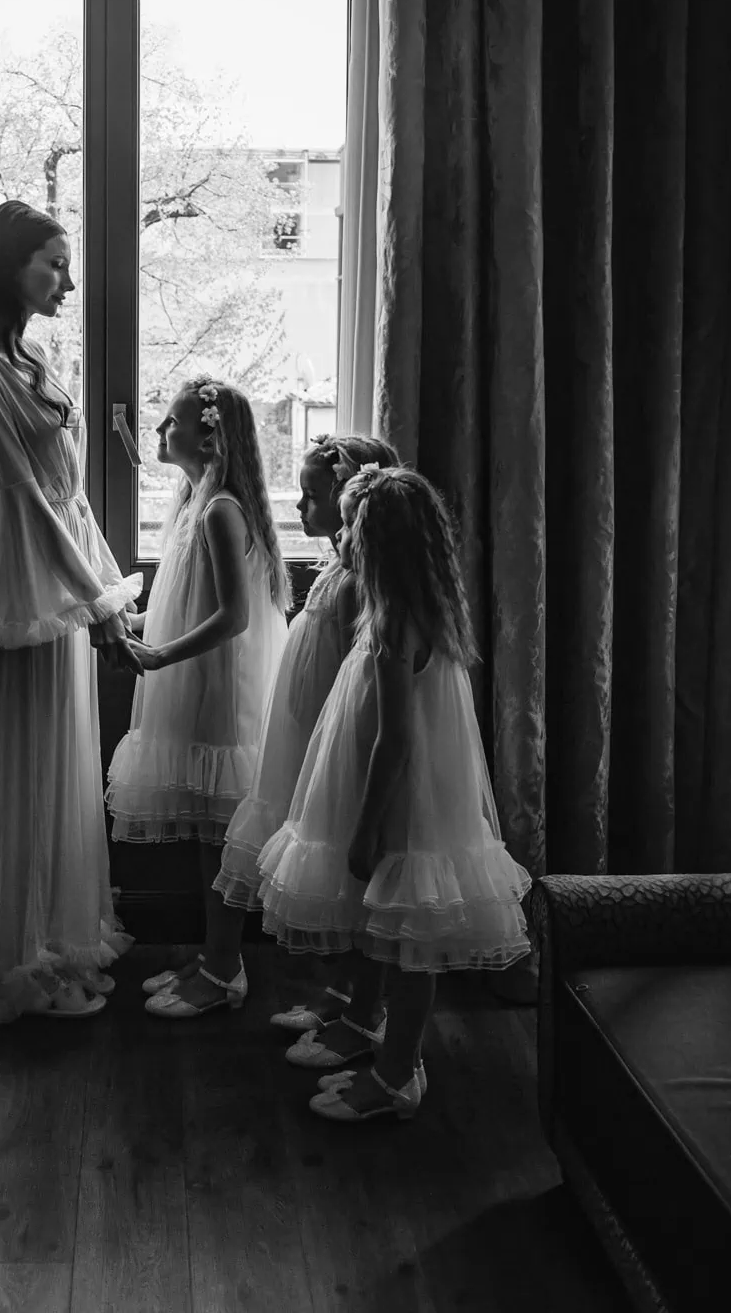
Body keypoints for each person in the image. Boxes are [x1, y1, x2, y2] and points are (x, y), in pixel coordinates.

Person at [258, 464, 531, 1119]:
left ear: (378, 543)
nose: (343, 539)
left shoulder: (392, 629)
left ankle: (397, 1074)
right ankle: (374, 1035)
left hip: (405, 805)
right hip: (413, 799)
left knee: (412, 945)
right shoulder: (418, 614)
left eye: (351, 528)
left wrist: (366, 826)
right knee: (397, 934)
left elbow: (396, 740)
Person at [0, 201, 141, 1025]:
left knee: (60, 766)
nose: (67, 281)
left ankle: (57, 944)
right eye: (54, 263)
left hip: (59, 569)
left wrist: (104, 590)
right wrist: (95, 602)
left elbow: (71, 497)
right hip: (24, 580)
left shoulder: (33, 359)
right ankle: (16, 964)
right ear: (8, 266)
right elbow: (24, 500)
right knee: (26, 773)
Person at [106, 377, 288, 1018]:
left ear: (209, 437)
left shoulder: (221, 511)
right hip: (199, 685)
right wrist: (132, 622)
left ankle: (225, 968)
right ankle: (215, 955)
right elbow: (186, 600)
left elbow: (234, 616)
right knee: (209, 833)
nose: (160, 430)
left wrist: (159, 656)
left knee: (222, 833)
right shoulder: (194, 504)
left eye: (172, 421)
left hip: (221, 691)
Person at [211, 435, 400, 1042]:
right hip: (304, 739)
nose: (298, 507)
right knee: (330, 869)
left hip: (335, 741)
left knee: (351, 876)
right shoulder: (332, 572)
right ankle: (342, 994)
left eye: (311, 496)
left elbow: (355, 680)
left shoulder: (357, 584)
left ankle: (365, 1010)